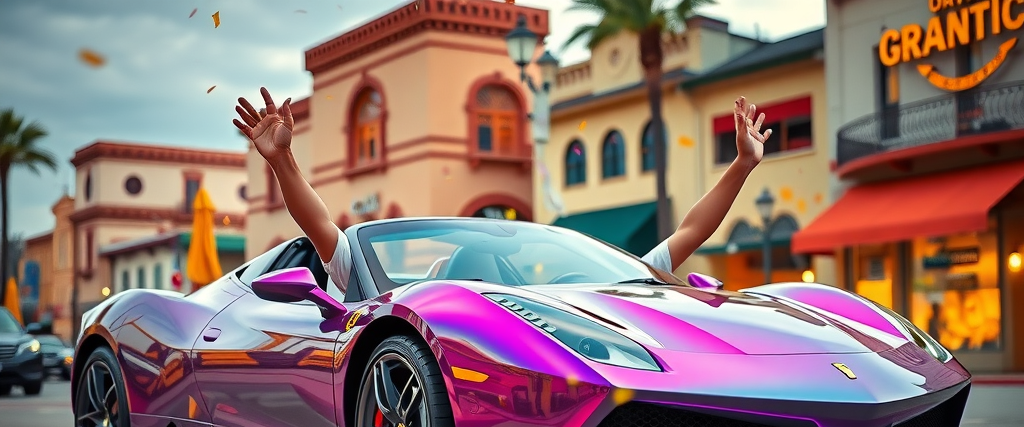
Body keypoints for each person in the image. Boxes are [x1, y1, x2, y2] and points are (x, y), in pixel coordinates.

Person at [233, 88, 772, 294]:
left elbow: (690, 232)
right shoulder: (377, 286)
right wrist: (282, 161)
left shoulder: (590, 298)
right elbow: (322, 228)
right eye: (466, 277)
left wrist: (743, 165)